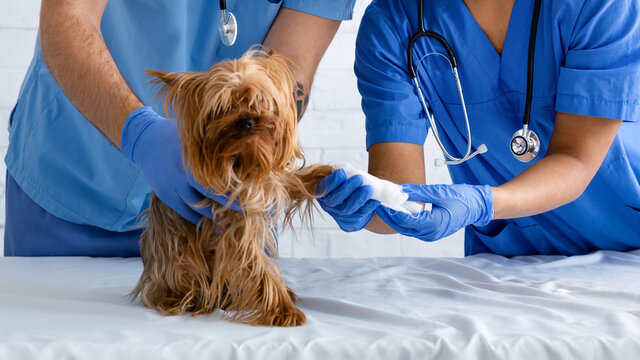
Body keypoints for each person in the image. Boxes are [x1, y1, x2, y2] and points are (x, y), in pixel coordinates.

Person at [4, 0, 355, 257]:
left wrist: (271, 154)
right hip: (74, 185)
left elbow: (289, 71)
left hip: (220, 214)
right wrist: (139, 133)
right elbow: (68, 15)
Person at [318, 0, 640, 256]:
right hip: (508, 264)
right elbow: (401, 192)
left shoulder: (598, 4)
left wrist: (484, 203)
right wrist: (368, 205)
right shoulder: (391, 24)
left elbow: (576, 159)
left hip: (626, 247)